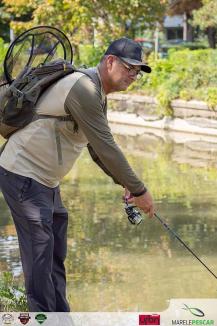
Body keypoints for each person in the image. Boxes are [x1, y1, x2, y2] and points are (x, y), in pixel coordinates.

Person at [0, 37, 155, 312]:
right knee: (40, 254)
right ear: (110, 62)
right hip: (23, 174)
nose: (134, 75)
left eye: (138, 71)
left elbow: (96, 150)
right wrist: (140, 190)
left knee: (55, 254)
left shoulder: (96, 93)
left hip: (46, 181)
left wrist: (125, 184)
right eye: (130, 67)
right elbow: (107, 147)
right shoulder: (82, 87)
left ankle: (62, 317)